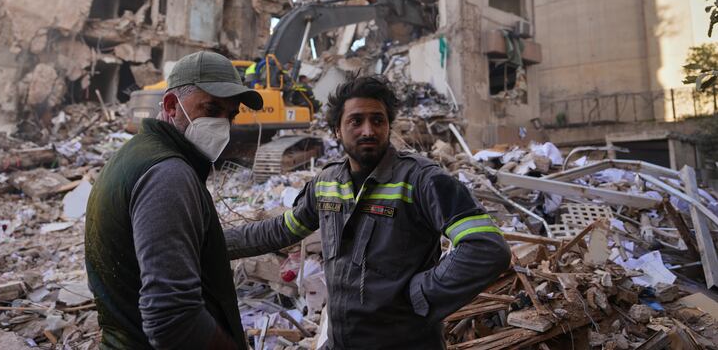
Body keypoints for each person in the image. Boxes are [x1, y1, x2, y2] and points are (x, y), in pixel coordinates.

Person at [225, 75, 511, 349]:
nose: (368, 130)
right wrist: (214, 242)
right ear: (337, 129)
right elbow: (282, 230)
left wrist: (421, 293)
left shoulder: (421, 180)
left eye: (378, 120)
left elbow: (485, 247)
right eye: (355, 121)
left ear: (389, 126)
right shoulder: (326, 185)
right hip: (344, 341)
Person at [85, 51, 263, 350]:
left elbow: (189, 245)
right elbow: (173, 319)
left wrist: (295, 223)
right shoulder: (168, 175)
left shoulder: (136, 155)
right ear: (171, 105)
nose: (223, 125)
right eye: (212, 109)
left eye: (230, 116)